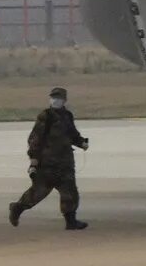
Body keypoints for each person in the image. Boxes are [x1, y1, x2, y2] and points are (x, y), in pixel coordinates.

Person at [9, 85, 90, 231]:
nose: (55, 100)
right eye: (53, 98)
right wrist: (34, 160)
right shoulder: (45, 116)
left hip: (65, 163)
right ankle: (17, 208)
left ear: (64, 100)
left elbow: (72, 135)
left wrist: (81, 142)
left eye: (58, 98)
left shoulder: (67, 116)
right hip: (47, 163)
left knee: (70, 192)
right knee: (38, 192)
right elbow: (35, 139)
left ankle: (71, 221)